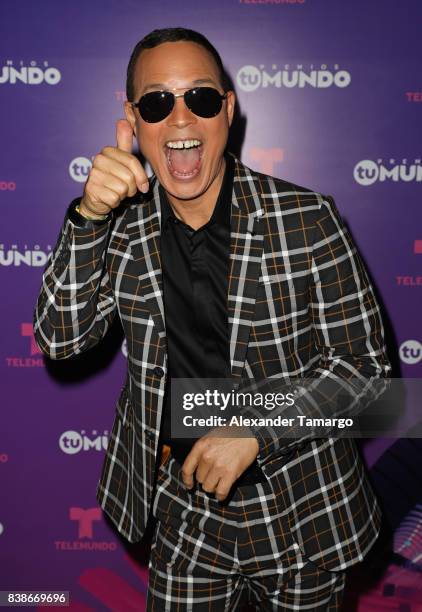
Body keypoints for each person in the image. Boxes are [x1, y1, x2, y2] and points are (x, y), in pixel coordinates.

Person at [34, 27, 391, 611]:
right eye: (157, 102)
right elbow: (60, 338)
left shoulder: (307, 218)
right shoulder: (117, 229)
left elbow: (368, 376)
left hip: (303, 506)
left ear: (227, 109)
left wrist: (254, 426)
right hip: (182, 511)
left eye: (199, 98)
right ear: (132, 119)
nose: (179, 120)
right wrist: (89, 216)